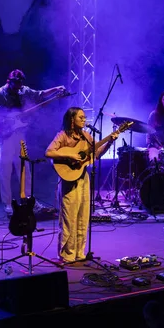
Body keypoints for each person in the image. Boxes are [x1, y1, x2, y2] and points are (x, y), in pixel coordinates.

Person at [0, 69, 66, 217]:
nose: (18, 87)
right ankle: (7, 204)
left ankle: (27, 200)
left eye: (20, 84)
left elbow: (40, 95)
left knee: (24, 168)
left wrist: (56, 89)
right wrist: (2, 118)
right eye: (16, 83)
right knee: (6, 170)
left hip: (20, 135)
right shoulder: (0, 93)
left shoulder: (23, 90)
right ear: (10, 81)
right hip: (5, 136)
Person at [45, 107, 118, 263]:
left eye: (84, 117)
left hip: (83, 177)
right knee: (69, 216)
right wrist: (70, 153)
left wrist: (110, 142)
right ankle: (66, 254)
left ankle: (79, 253)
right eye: (81, 117)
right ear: (72, 119)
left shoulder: (86, 136)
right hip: (68, 179)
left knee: (83, 215)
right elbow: (49, 152)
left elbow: (97, 154)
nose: (84, 120)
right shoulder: (62, 135)